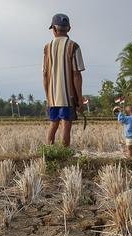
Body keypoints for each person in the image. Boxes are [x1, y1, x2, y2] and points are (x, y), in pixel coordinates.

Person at [43, 13, 85, 147]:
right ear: (69, 29)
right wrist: (80, 98)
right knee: (66, 125)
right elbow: (76, 74)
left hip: (52, 96)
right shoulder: (73, 46)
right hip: (68, 96)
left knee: (53, 124)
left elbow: (45, 74)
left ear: (54, 29)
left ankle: (48, 152)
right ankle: (65, 154)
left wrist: (48, 96)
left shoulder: (47, 48)